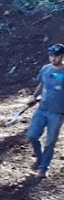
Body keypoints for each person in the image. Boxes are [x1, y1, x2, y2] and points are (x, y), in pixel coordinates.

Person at [26, 43, 64, 178]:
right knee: (31, 135)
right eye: (51, 55)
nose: (53, 59)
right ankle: (40, 157)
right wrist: (34, 96)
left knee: (50, 142)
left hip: (58, 112)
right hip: (42, 108)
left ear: (63, 56)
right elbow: (42, 84)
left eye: (57, 56)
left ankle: (43, 168)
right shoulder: (45, 69)